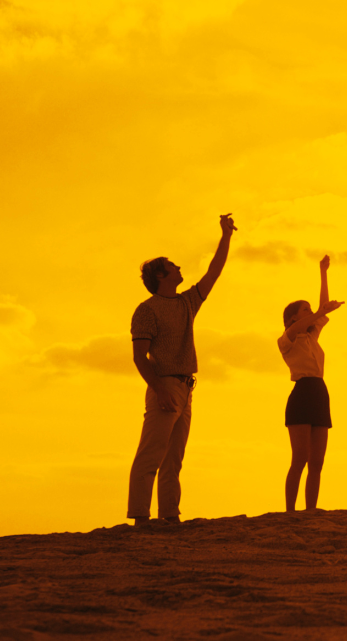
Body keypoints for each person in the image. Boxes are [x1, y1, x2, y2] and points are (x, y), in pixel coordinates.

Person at [128, 213, 237, 525]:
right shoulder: (146, 310)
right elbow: (139, 357)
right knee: (151, 454)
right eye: (173, 266)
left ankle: (169, 517)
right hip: (164, 386)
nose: (180, 268)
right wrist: (161, 389)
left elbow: (213, 272)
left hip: (187, 387)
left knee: (174, 459)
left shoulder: (187, 303)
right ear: (162, 275)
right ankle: (139, 517)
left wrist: (226, 236)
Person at [278, 255, 344, 512]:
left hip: (319, 392)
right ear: (293, 318)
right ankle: (290, 510)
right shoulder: (287, 338)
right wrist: (318, 311)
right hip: (302, 393)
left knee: (317, 461)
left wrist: (323, 272)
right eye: (304, 310)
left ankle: (311, 510)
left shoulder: (312, 334)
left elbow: (321, 308)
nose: (311, 313)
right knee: (300, 458)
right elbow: (318, 312)